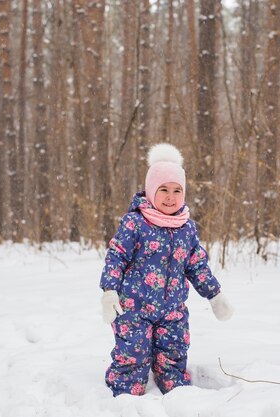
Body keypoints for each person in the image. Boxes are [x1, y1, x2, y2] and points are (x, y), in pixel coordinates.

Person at [100, 143, 234, 397]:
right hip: (133, 308)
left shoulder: (187, 228)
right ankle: (126, 394)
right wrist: (109, 291)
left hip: (172, 309)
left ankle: (176, 392)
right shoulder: (135, 223)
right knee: (133, 353)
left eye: (177, 190)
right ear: (151, 191)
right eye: (163, 190)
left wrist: (215, 296)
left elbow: (197, 265)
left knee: (174, 352)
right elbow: (116, 257)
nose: (170, 197)